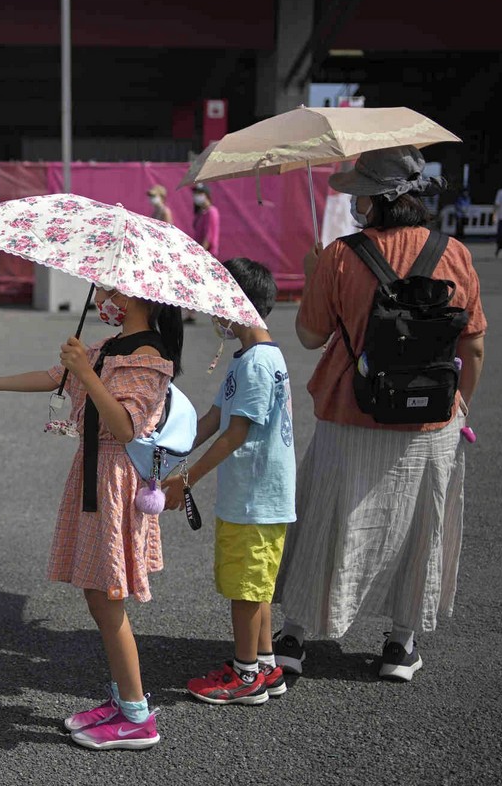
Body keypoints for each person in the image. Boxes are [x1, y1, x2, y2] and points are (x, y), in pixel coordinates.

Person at [273, 145, 486, 682]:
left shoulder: (341, 256)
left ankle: (295, 635)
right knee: (420, 526)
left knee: (327, 515)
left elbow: (310, 335)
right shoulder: (454, 252)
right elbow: (474, 344)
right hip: (431, 414)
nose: (353, 202)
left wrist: (314, 274)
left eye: (360, 194)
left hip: (352, 406)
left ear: (378, 200)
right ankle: (400, 643)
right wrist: (459, 405)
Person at [0, 287, 184, 751]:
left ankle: (136, 716)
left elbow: (126, 426)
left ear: (135, 297)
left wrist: (84, 373)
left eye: (113, 288)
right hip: (94, 472)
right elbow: (55, 376)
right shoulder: (112, 345)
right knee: (98, 592)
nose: (105, 295)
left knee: (107, 595)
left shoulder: (150, 353)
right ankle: (123, 702)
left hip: (115, 478)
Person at [160, 258, 295, 705]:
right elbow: (213, 420)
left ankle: (244, 677)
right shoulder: (250, 358)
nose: (213, 309)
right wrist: (164, 455)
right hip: (255, 497)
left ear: (239, 303)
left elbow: (237, 431)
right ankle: (265, 665)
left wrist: (186, 479)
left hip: (256, 499)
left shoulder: (257, 362)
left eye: (219, 298)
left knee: (244, 589)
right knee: (254, 586)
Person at [185, 183, 221, 323]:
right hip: (201, 253)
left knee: (209, 286)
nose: (196, 196)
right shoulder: (202, 213)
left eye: (200, 193)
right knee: (195, 283)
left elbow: (208, 237)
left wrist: (200, 255)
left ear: (207, 195)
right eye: (195, 193)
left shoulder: (212, 211)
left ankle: (222, 313)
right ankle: (191, 312)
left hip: (207, 254)